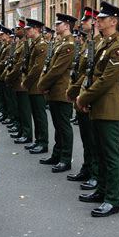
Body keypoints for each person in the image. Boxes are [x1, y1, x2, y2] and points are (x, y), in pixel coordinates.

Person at [76, 1, 119, 217]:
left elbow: (106, 80)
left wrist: (83, 97)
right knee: (99, 152)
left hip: (109, 107)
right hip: (97, 105)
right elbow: (91, 75)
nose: (97, 21)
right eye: (97, 19)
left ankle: (113, 199)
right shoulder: (103, 45)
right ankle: (101, 190)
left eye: (102, 18)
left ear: (114, 21)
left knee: (110, 156)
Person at [38, 13, 77, 173]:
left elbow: (57, 70)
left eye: (59, 23)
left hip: (62, 90)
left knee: (64, 126)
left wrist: (42, 84)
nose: (56, 26)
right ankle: (57, 154)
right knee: (57, 125)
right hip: (54, 90)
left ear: (67, 26)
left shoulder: (69, 45)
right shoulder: (59, 43)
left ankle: (65, 159)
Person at [66, 7, 100, 190]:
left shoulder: (98, 43)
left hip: (87, 95)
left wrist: (75, 91)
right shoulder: (88, 43)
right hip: (81, 93)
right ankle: (87, 168)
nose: (82, 24)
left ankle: (95, 173)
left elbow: (89, 73)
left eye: (86, 21)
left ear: (93, 22)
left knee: (93, 140)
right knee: (86, 137)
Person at [21, 18, 49, 154]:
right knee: (36, 114)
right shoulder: (34, 44)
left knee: (39, 115)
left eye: (29, 29)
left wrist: (26, 82)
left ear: (36, 29)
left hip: (37, 84)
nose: (27, 31)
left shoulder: (41, 45)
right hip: (33, 85)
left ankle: (43, 142)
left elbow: (37, 68)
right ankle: (38, 140)